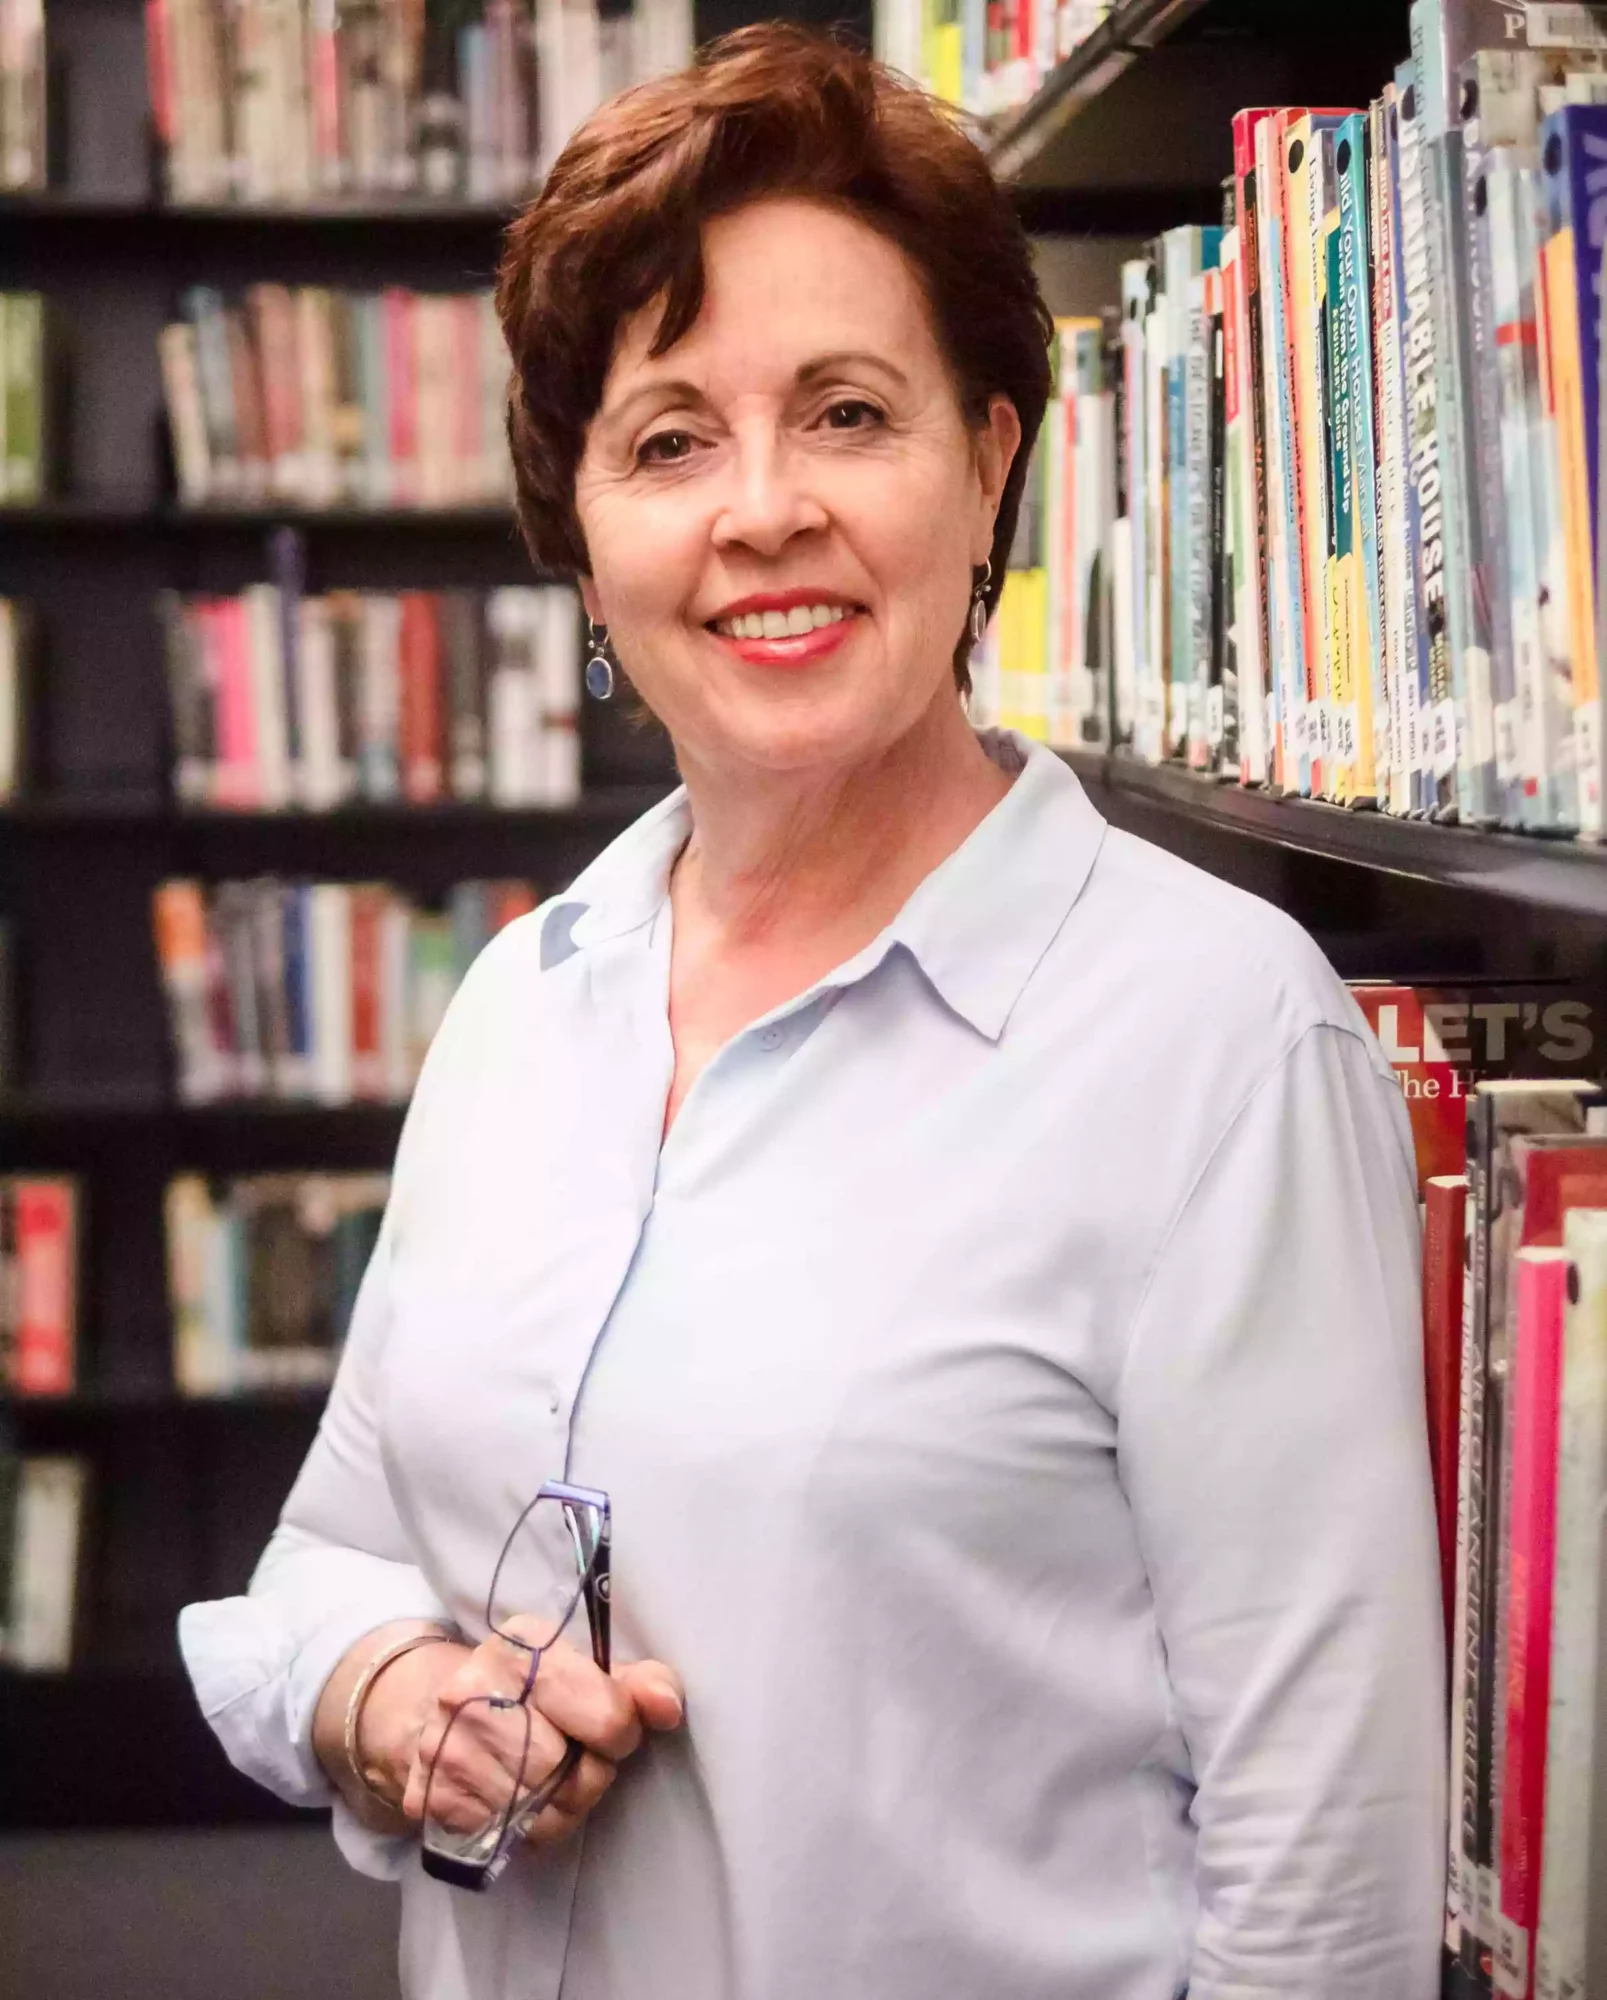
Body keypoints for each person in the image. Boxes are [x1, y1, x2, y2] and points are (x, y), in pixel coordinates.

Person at [179, 24, 1446, 2000]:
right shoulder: (527, 1003)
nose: (759, 510)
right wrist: (394, 1694)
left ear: (987, 465)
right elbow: (321, 1564)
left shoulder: (1213, 1046)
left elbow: (1321, 1899)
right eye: (669, 440)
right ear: (584, 544)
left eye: (845, 414)